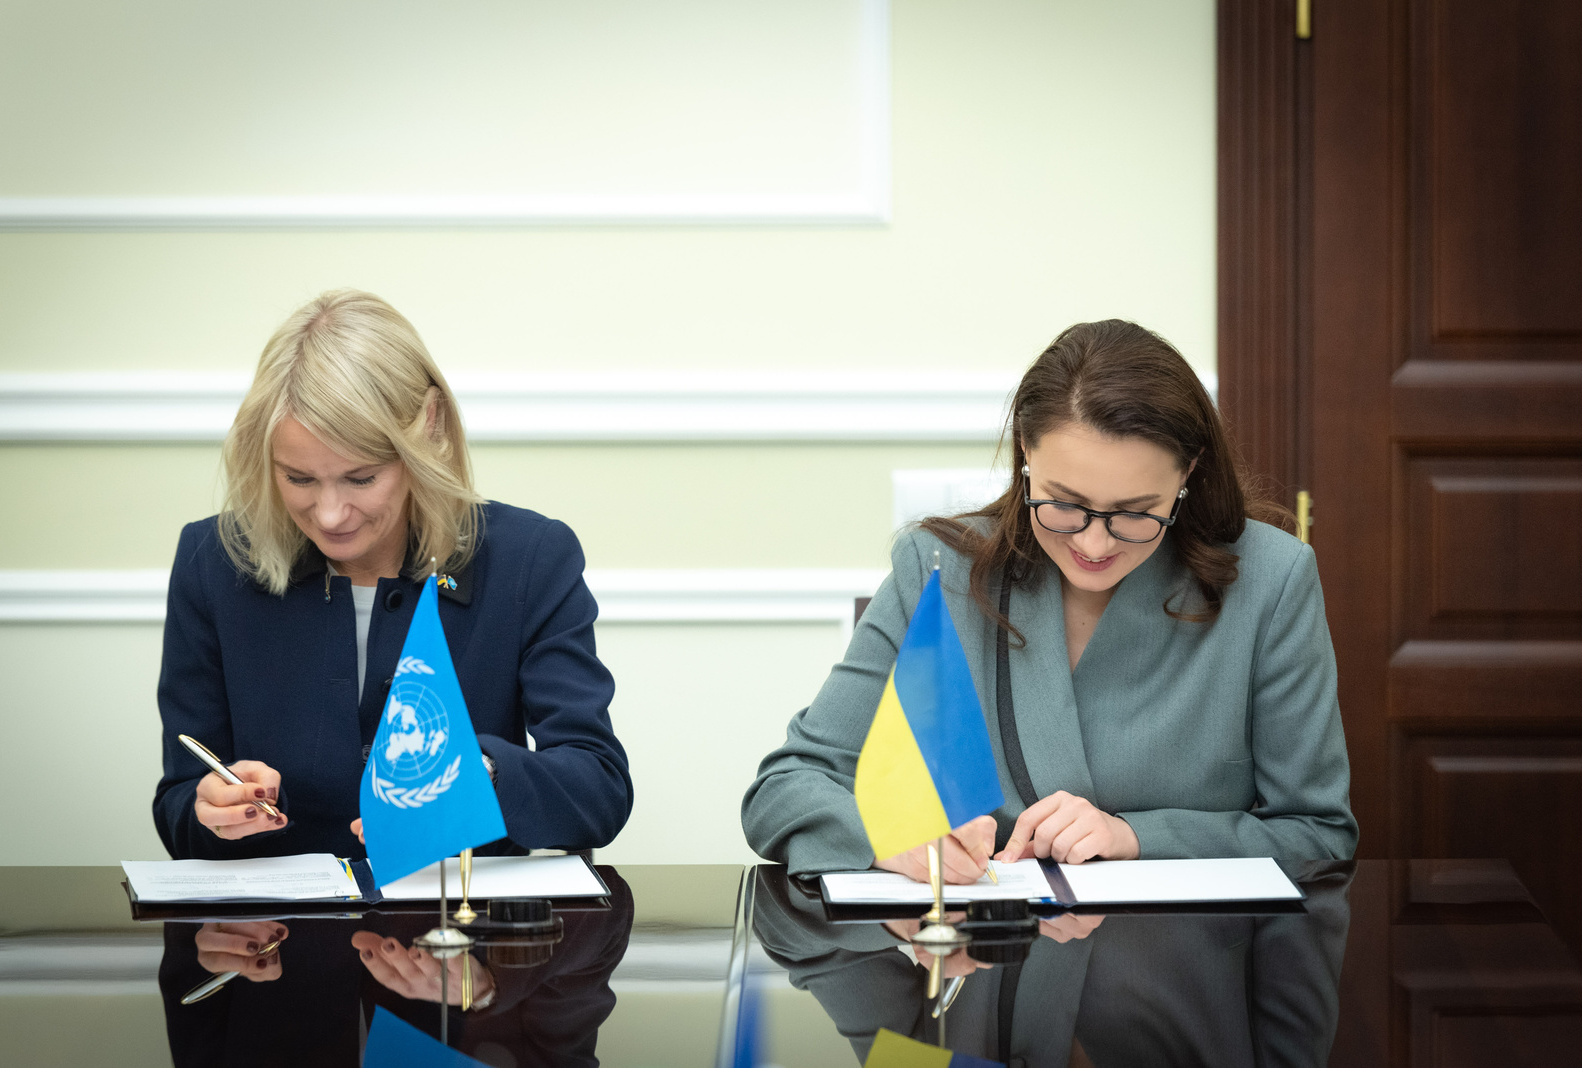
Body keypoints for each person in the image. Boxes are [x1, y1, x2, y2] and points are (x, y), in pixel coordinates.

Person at [742, 319, 1356, 882]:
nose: (1093, 543)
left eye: (1136, 513)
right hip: (990, 974)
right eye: (1064, 503)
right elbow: (785, 788)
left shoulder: (1273, 579)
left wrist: (1136, 836)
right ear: (1026, 454)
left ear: (1188, 473)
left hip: (1186, 982)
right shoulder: (938, 568)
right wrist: (889, 836)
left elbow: (1318, 835)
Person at [153, 290, 631, 861]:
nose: (329, 514)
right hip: (278, 942)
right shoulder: (212, 560)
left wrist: (482, 772)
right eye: (298, 478)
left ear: (427, 429)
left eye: (360, 478)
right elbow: (179, 803)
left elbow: (598, 791)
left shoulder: (529, 558)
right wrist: (208, 808)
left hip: (459, 934)